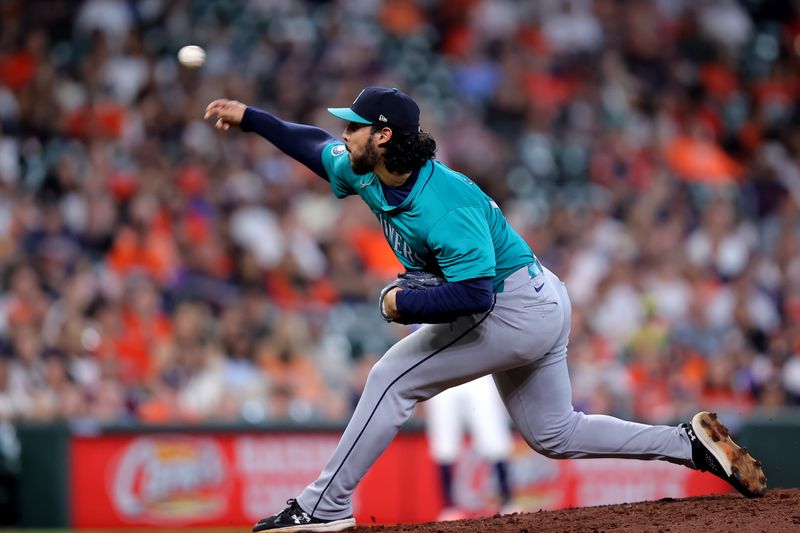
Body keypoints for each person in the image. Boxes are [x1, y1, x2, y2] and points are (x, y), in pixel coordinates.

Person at [203, 87, 766, 533]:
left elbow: (476, 297)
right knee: (554, 433)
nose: (342, 133)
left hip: (512, 306)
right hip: (538, 295)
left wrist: (405, 303)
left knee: (391, 378)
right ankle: (688, 446)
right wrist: (252, 117)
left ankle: (323, 505)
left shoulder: (444, 204)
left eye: (353, 125)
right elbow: (309, 144)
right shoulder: (364, 168)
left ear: (383, 136)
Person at [425, 375, 516, 520]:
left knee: (495, 440)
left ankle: (507, 502)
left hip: (479, 372)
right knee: (444, 445)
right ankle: (448, 508)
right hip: (442, 373)